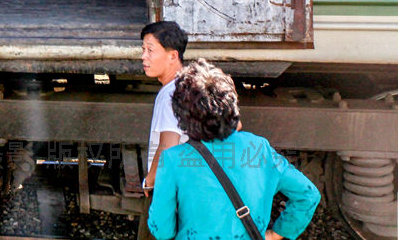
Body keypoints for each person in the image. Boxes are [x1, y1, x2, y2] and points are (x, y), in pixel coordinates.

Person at [148, 59, 320, 240]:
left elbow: (161, 230)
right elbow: (308, 195)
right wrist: (277, 234)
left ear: (182, 116)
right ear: (232, 106)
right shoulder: (259, 149)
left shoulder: (173, 159)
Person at [137, 21, 188, 240]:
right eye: (143, 50)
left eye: (150, 50)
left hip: (169, 191)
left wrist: (149, 181)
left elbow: (168, 146)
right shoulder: (192, 85)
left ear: (172, 55)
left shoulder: (170, 93)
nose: (143, 57)